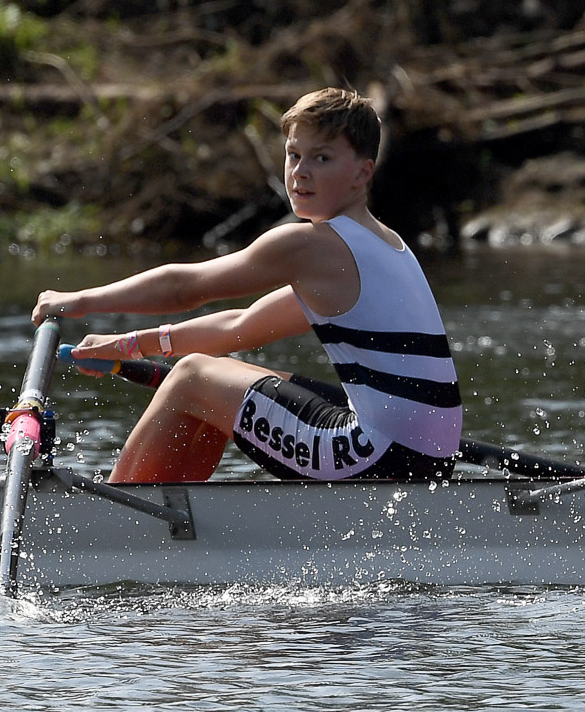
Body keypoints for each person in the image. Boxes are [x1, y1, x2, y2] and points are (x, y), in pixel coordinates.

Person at [30, 88, 461, 484]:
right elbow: (240, 326)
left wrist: (79, 300)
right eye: (294, 155)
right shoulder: (387, 244)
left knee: (190, 376)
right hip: (427, 456)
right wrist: (126, 346)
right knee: (229, 370)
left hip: (375, 456)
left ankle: (117, 521)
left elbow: (186, 289)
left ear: (363, 173)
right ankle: (175, 507)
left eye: (322, 158)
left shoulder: (309, 246)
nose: (301, 173)